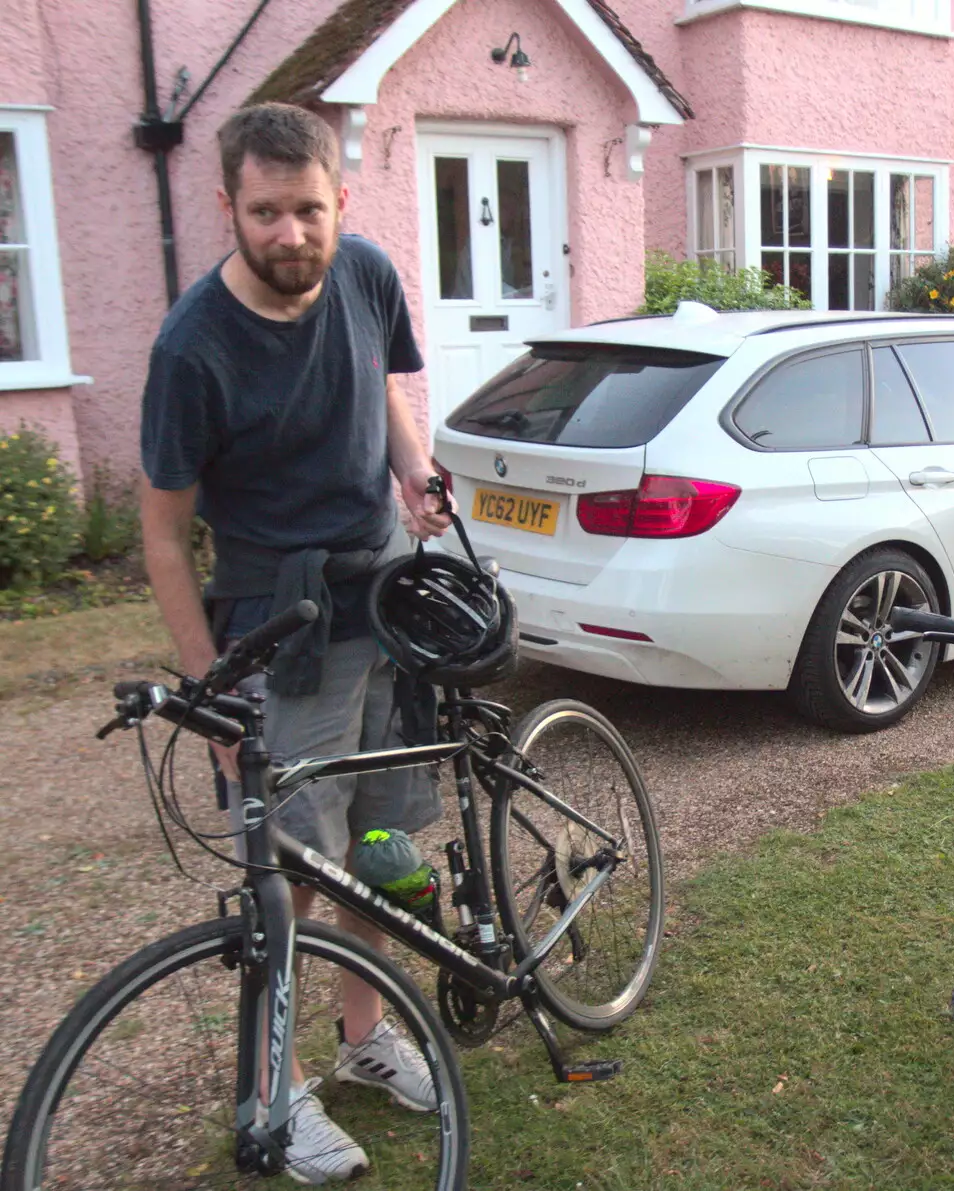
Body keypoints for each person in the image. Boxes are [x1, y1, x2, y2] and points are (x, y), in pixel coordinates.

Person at [139, 102, 453, 1181]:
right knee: (292, 876)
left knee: (382, 852)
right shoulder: (193, 350)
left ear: (340, 204)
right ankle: (275, 1094)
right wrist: (212, 695)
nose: (289, 234)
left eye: (306, 209)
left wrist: (412, 474)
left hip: (385, 608)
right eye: (264, 212)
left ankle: (363, 1041)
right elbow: (166, 541)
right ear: (226, 206)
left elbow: (379, 386)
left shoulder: (365, 274)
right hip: (279, 638)